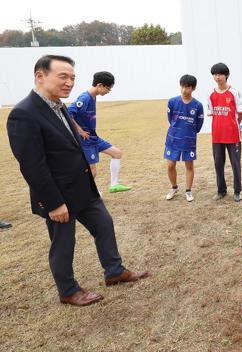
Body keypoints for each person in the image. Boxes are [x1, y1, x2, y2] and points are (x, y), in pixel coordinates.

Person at [6, 55, 148, 306]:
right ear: (40, 76)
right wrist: (53, 203)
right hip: (59, 195)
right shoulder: (24, 114)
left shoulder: (59, 106)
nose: (69, 82)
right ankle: (68, 290)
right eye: (63, 76)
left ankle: (114, 271)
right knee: (64, 243)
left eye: (72, 78)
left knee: (104, 224)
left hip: (83, 188)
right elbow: (32, 166)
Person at [67, 71, 132, 193]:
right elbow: (68, 113)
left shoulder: (93, 96)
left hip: (93, 137)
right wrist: (80, 132)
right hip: (86, 140)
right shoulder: (84, 98)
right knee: (92, 171)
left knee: (117, 153)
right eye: (108, 88)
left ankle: (114, 185)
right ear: (100, 85)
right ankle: (86, 194)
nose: (108, 91)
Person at [164, 74, 205, 202]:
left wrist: (189, 131)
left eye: (187, 87)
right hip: (173, 139)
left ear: (193, 88)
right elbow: (170, 119)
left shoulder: (198, 105)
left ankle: (188, 190)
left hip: (188, 139)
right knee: (170, 165)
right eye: (182, 86)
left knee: (189, 165)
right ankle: (174, 187)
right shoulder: (172, 101)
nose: (184, 90)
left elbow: (198, 125)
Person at [208, 63, 242, 202]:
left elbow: (240, 114)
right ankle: (221, 190)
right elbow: (213, 113)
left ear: (226, 75)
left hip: (233, 135)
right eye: (215, 74)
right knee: (218, 164)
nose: (217, 77)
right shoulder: (210, 94)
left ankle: (237, 191)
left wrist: (233, 125)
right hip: (217, 136)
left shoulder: (234, 92)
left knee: (235, 163)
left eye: (220, 74)